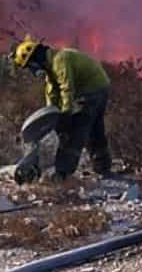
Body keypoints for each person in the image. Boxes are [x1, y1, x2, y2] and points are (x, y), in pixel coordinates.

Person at [10, 36, 112, 182]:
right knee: (95, 128)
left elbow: (66, 89)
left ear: (35, 58)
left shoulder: (60, 60)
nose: (33, 71)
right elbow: (52, 98)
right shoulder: (50, 70)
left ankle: (62, 173)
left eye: (31, 66)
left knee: (77, 129)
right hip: (99, 86)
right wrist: (48, 121)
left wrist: (65, 116)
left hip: (93, 89)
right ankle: (103, 167)